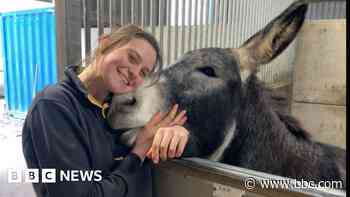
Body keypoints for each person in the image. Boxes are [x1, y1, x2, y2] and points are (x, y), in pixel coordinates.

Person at [22, 24, 190, 197]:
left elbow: (155, 134)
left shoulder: (114, 108)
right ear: (104, 44)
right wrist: (137, 154)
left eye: (144, 73)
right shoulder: (53, 106)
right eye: (132, 58)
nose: (134, 73)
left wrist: (177, 132)